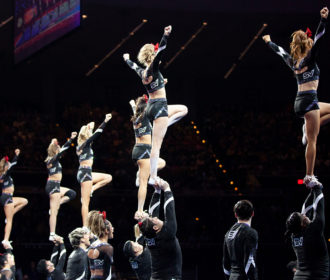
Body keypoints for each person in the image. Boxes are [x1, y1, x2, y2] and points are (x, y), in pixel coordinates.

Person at [262, 7, 330, 187]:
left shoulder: (294, 62)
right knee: (313, 140)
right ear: (306, 44)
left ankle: (306, 129)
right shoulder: (309, 59)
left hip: (301, 101)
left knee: (322, 118)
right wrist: (323, 20)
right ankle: (309, 175)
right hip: (309, 102)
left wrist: (269, 41)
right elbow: (319, 39)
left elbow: (281, 52)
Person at [123, 25, 188, 185]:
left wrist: (127, 59)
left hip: (151, 106)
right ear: (151, 55)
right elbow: (162, 50)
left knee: (183, 109)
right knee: (156, 146)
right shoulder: (153, 68)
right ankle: (151, 177)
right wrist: (165, 35)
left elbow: (133, 66)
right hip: (159, 107)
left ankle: (163, 125)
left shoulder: (143, 72)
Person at [137, 179, 182, 280]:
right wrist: (166, 188)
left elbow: (153, 213)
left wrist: (157, 191)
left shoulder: (151, 234)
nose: (156, 217)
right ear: (155, 227)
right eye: (154, 219)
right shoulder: (167, 234)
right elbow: (169, 210)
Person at [129, 96, 166, 216]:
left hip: (138, 150)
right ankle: (139, 210)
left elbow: (136, 109)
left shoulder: (136, 119)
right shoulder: (144, 116)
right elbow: (151, 102)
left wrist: (133, 105)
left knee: (161, 163)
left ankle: (139, 173)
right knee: (143, 183)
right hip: (144, 150)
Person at [285, 184, 329, 280]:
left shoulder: (295, 235)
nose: (305, 215)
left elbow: (306, 209)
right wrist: (317, 187)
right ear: (303, 223)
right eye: (303, 217)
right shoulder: (313, 231)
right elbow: (319, 206)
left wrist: (312, 189)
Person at [76, 113, 112, 227]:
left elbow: (92, 136)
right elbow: (97, 134)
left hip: (87, 172)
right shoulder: (83, 145)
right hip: (85, 173)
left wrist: (89, 127)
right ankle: (85, 227)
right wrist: (105, 121)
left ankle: (93, 188)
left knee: (108, 177)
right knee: (85, 203)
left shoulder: (85, 145)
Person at [45, 133, 77, 241]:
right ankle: (52, 233)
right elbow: (62, 151)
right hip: (52, 186)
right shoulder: (50, 160)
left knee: (72, 193)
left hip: (57, 185)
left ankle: (58, 203)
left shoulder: (55, 160)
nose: (60, 149)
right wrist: (71, 139)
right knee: (54, 212)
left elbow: (61, 152)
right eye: (58, 148)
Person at [222, 200, 258, 280]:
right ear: (252, 213)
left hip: (232, 277)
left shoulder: (228, 233)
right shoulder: (250, 233)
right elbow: (249, 261)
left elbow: (225, 263)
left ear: (235, 215)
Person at [0, 149, 28, 249]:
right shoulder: (5, 174)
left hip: (7, 197)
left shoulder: (4, 175)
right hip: (7, 197)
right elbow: (14, 164)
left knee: (24, 201)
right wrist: (16, 155)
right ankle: (6, 239)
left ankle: (9, 215)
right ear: (6, 166)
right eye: (8, 164)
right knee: (9, 221)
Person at [87, 210, 114, 280]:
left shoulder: (92, 245)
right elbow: (106, 274)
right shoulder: (107, 248)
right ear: (106, 230)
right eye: (111, 227)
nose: (113, 229)